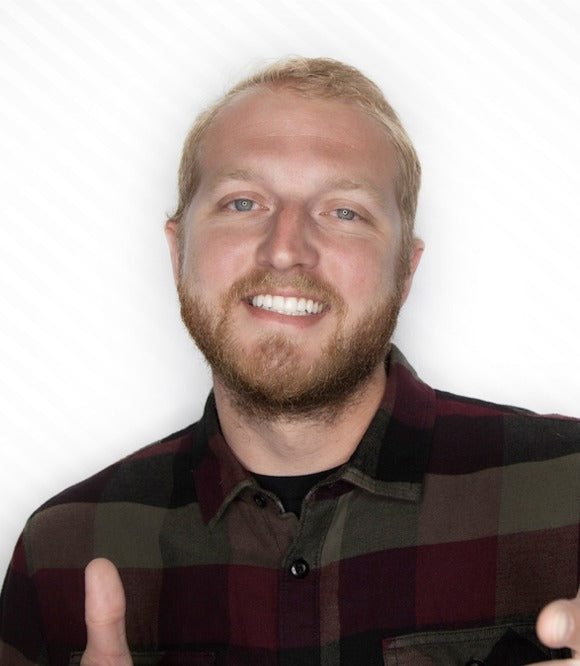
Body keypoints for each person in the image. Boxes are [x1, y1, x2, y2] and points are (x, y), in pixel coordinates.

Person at [0, 57, 578, 666]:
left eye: (344, 211)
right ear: (178, 253)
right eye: (243, 203)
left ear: (405, 271)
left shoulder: (570, 495)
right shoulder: (61, 552)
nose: (284, 249)